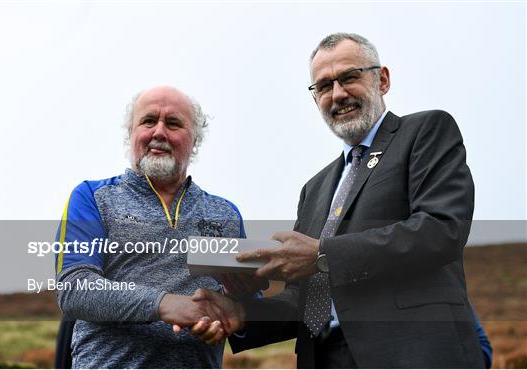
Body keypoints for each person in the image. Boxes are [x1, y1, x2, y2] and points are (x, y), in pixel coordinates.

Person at [191, 33, 492, 368]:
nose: (338, 94)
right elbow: (304, 301)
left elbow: (440, 230)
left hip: (413, 355)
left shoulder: (426, 131)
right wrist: (242, 314)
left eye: (350, 77)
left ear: (383, 79)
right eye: (323, 86)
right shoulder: (314, 189)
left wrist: (322, 255)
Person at [54, 85, 245, 368]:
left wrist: (229, 316)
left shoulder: (225, 214)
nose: (159, 132)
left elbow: (244, 304)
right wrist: (166, 304)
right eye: (148, 120)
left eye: (173, 123)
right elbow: (74, 288)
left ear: (194, 140)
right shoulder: (91, 197)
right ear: (130, 134)